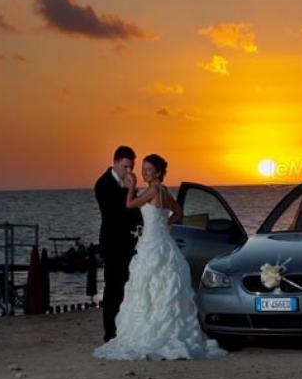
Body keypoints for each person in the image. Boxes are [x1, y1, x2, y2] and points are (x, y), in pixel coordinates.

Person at [93, 154, 226, 360]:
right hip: (163, 241)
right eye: (143, 169)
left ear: (158, 172)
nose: (144, 173)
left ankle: (150, 330)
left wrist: (131, 187)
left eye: (148, 170)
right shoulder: (164, 191)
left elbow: (129, 205)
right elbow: (178, 212)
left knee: (148, 284)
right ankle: (171, 328)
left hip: (151, 243)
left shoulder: (153, 189)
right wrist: (165, 226)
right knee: (164, 284)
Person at [94, 146, 143, 342]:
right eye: (125, 167)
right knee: (113, 288)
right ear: (115, 163)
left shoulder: (126, 182)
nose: (128, 171)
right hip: (113, 244)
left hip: (130, 243)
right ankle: (110, 332)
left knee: (126, 286)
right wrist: (130, 190)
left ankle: (125, 327)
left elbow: (135, 211)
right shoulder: (103, 184)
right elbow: (116, 213)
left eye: (131, 167)